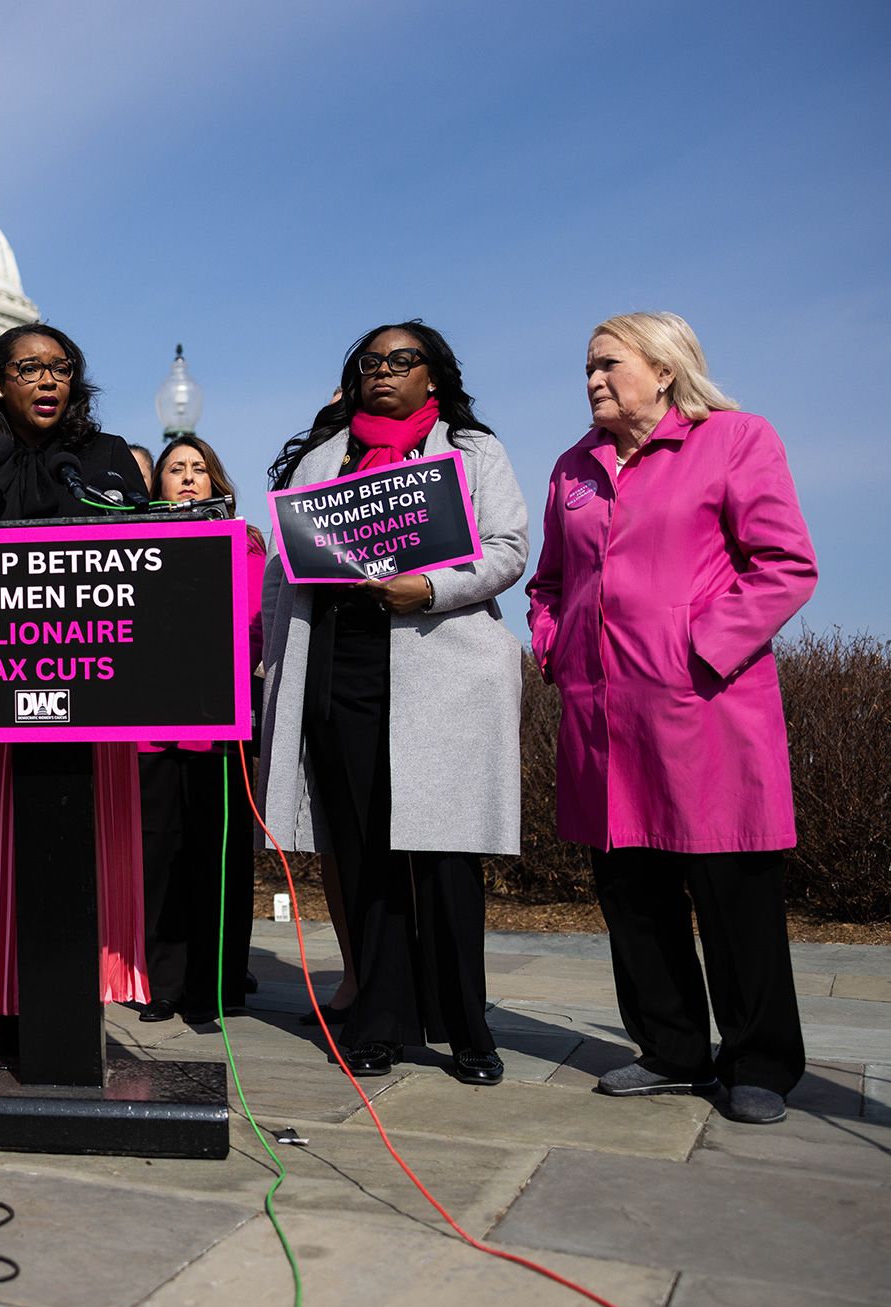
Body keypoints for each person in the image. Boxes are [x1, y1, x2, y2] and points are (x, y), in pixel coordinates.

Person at [528, 312, 817, 1126]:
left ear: (663, 368)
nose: (591, 379)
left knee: (733, 892)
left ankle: (759, 1061)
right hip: (603, 719)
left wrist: (702, 647)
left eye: (607, 363)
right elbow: (549, 583)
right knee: (633, 892)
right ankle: (671, 1048)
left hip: (708, 709)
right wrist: (555, 648)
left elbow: (786, 565)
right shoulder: (572, 468)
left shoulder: (735, 440)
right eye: (586, 365)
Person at [257, 322, 526, 1085]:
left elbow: (508, 547)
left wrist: (431, 585)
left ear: (432, 377)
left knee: (443, 856)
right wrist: (275, 669)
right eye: (370, 362)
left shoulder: (473, 451)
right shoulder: (321, 458)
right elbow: (284, 569)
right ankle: (380, 1020)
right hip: (340, 663)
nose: (383, 373)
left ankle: (467, 1028)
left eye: (400, 361)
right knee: (364, 852)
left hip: (436, 661)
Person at [0, 323, 149, 1062]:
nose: (48, 380)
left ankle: (71, 1001)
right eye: (30, 368)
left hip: (90, 699)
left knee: (79, 858)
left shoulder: (107, 458)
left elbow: (143, 563)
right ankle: (5, 1007)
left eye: (61, 368)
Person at [136, 435, 265, 1024]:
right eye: (175, 469)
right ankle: (163, 984)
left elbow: (252, 628)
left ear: (216, 481)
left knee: (217, 856)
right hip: (149, 723)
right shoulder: (134, 544)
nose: (187, 478)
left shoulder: (243, 546)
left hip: (218, 723)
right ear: (157, 484)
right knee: (158, 855)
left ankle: (216, 983)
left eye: (198, 469)